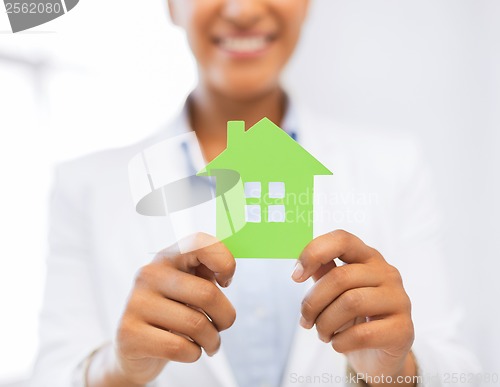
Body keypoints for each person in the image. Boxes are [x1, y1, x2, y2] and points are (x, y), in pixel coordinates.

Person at [31, 1, 481, 386]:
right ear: (170, 3)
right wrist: (117, 369)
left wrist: (397, 370)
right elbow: (49, 374)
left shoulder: (394, 165)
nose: (243, 10)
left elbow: (464, 370)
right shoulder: (84, 185)